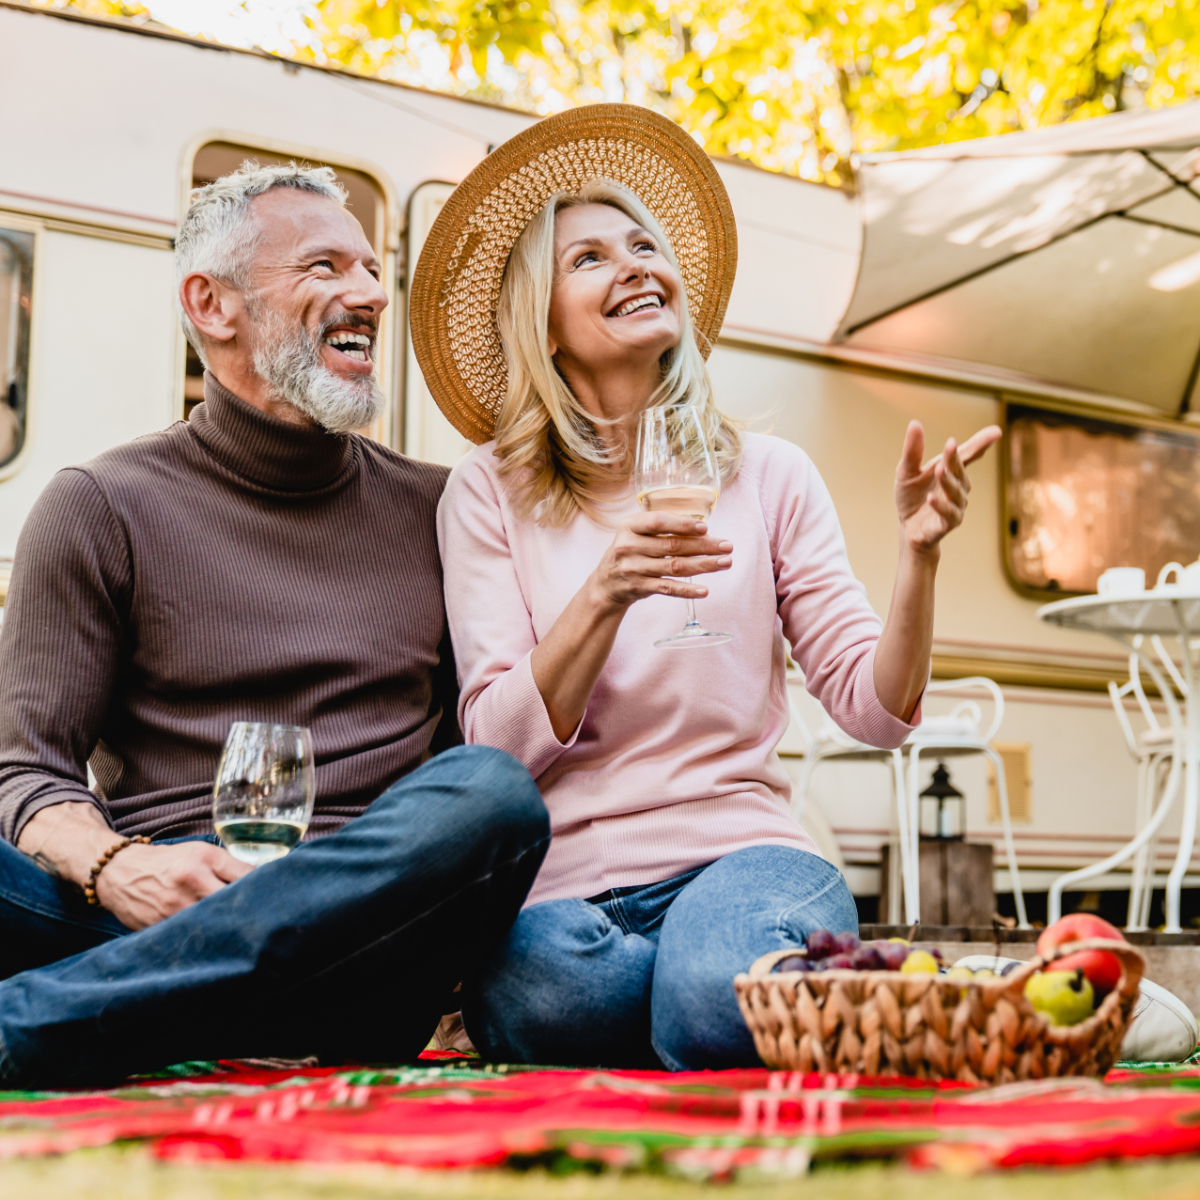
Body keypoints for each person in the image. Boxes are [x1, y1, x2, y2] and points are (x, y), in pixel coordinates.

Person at [412, 105, 997, 1070]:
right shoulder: (488, 490)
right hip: (569, 888)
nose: (638, 263)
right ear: (543, 328)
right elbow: (497, 748)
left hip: (746, 856)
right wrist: (605, 591)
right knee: (551, 992)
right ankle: (790, 998)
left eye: (645, 244)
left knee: (689, 998)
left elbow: (876, 711)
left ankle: (727, 988)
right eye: (590, 258)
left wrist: (920, 556)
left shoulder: (767, 474)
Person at [0, 162, 549, 1088]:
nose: (370, 295)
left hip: (363, 942)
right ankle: (155, 1004)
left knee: (493, 796)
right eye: (326, 268)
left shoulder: (440, 509)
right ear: (213, 305)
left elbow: (475, 755)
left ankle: (45, 1023)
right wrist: (115, 868)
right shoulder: (101, 505)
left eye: (372, 270)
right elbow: (27, 770)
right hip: (146, 910)